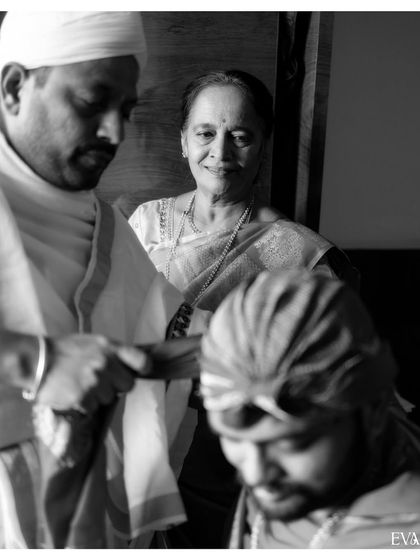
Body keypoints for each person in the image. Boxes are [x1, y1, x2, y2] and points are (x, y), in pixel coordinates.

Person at [0, 11, 204, 548]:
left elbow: (166, 336)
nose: (116, 132)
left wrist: (266, 350)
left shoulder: (106, 226)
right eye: (93, 102)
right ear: (14, 87)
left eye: (127, 109)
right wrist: (38, 362)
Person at [129, 69, 357, 547]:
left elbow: (325, 386)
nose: (221, 153)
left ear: (263, 144)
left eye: (241, 136)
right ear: (183, 142)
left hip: (225, 470)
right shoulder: (144, 222)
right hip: (132, 443)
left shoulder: (298, 254)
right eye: (206, 133)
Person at [200, 270, 420, 548]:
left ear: (373, 411)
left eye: (293, 444)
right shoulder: (288, 475)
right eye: (232, 438)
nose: (255, 475)